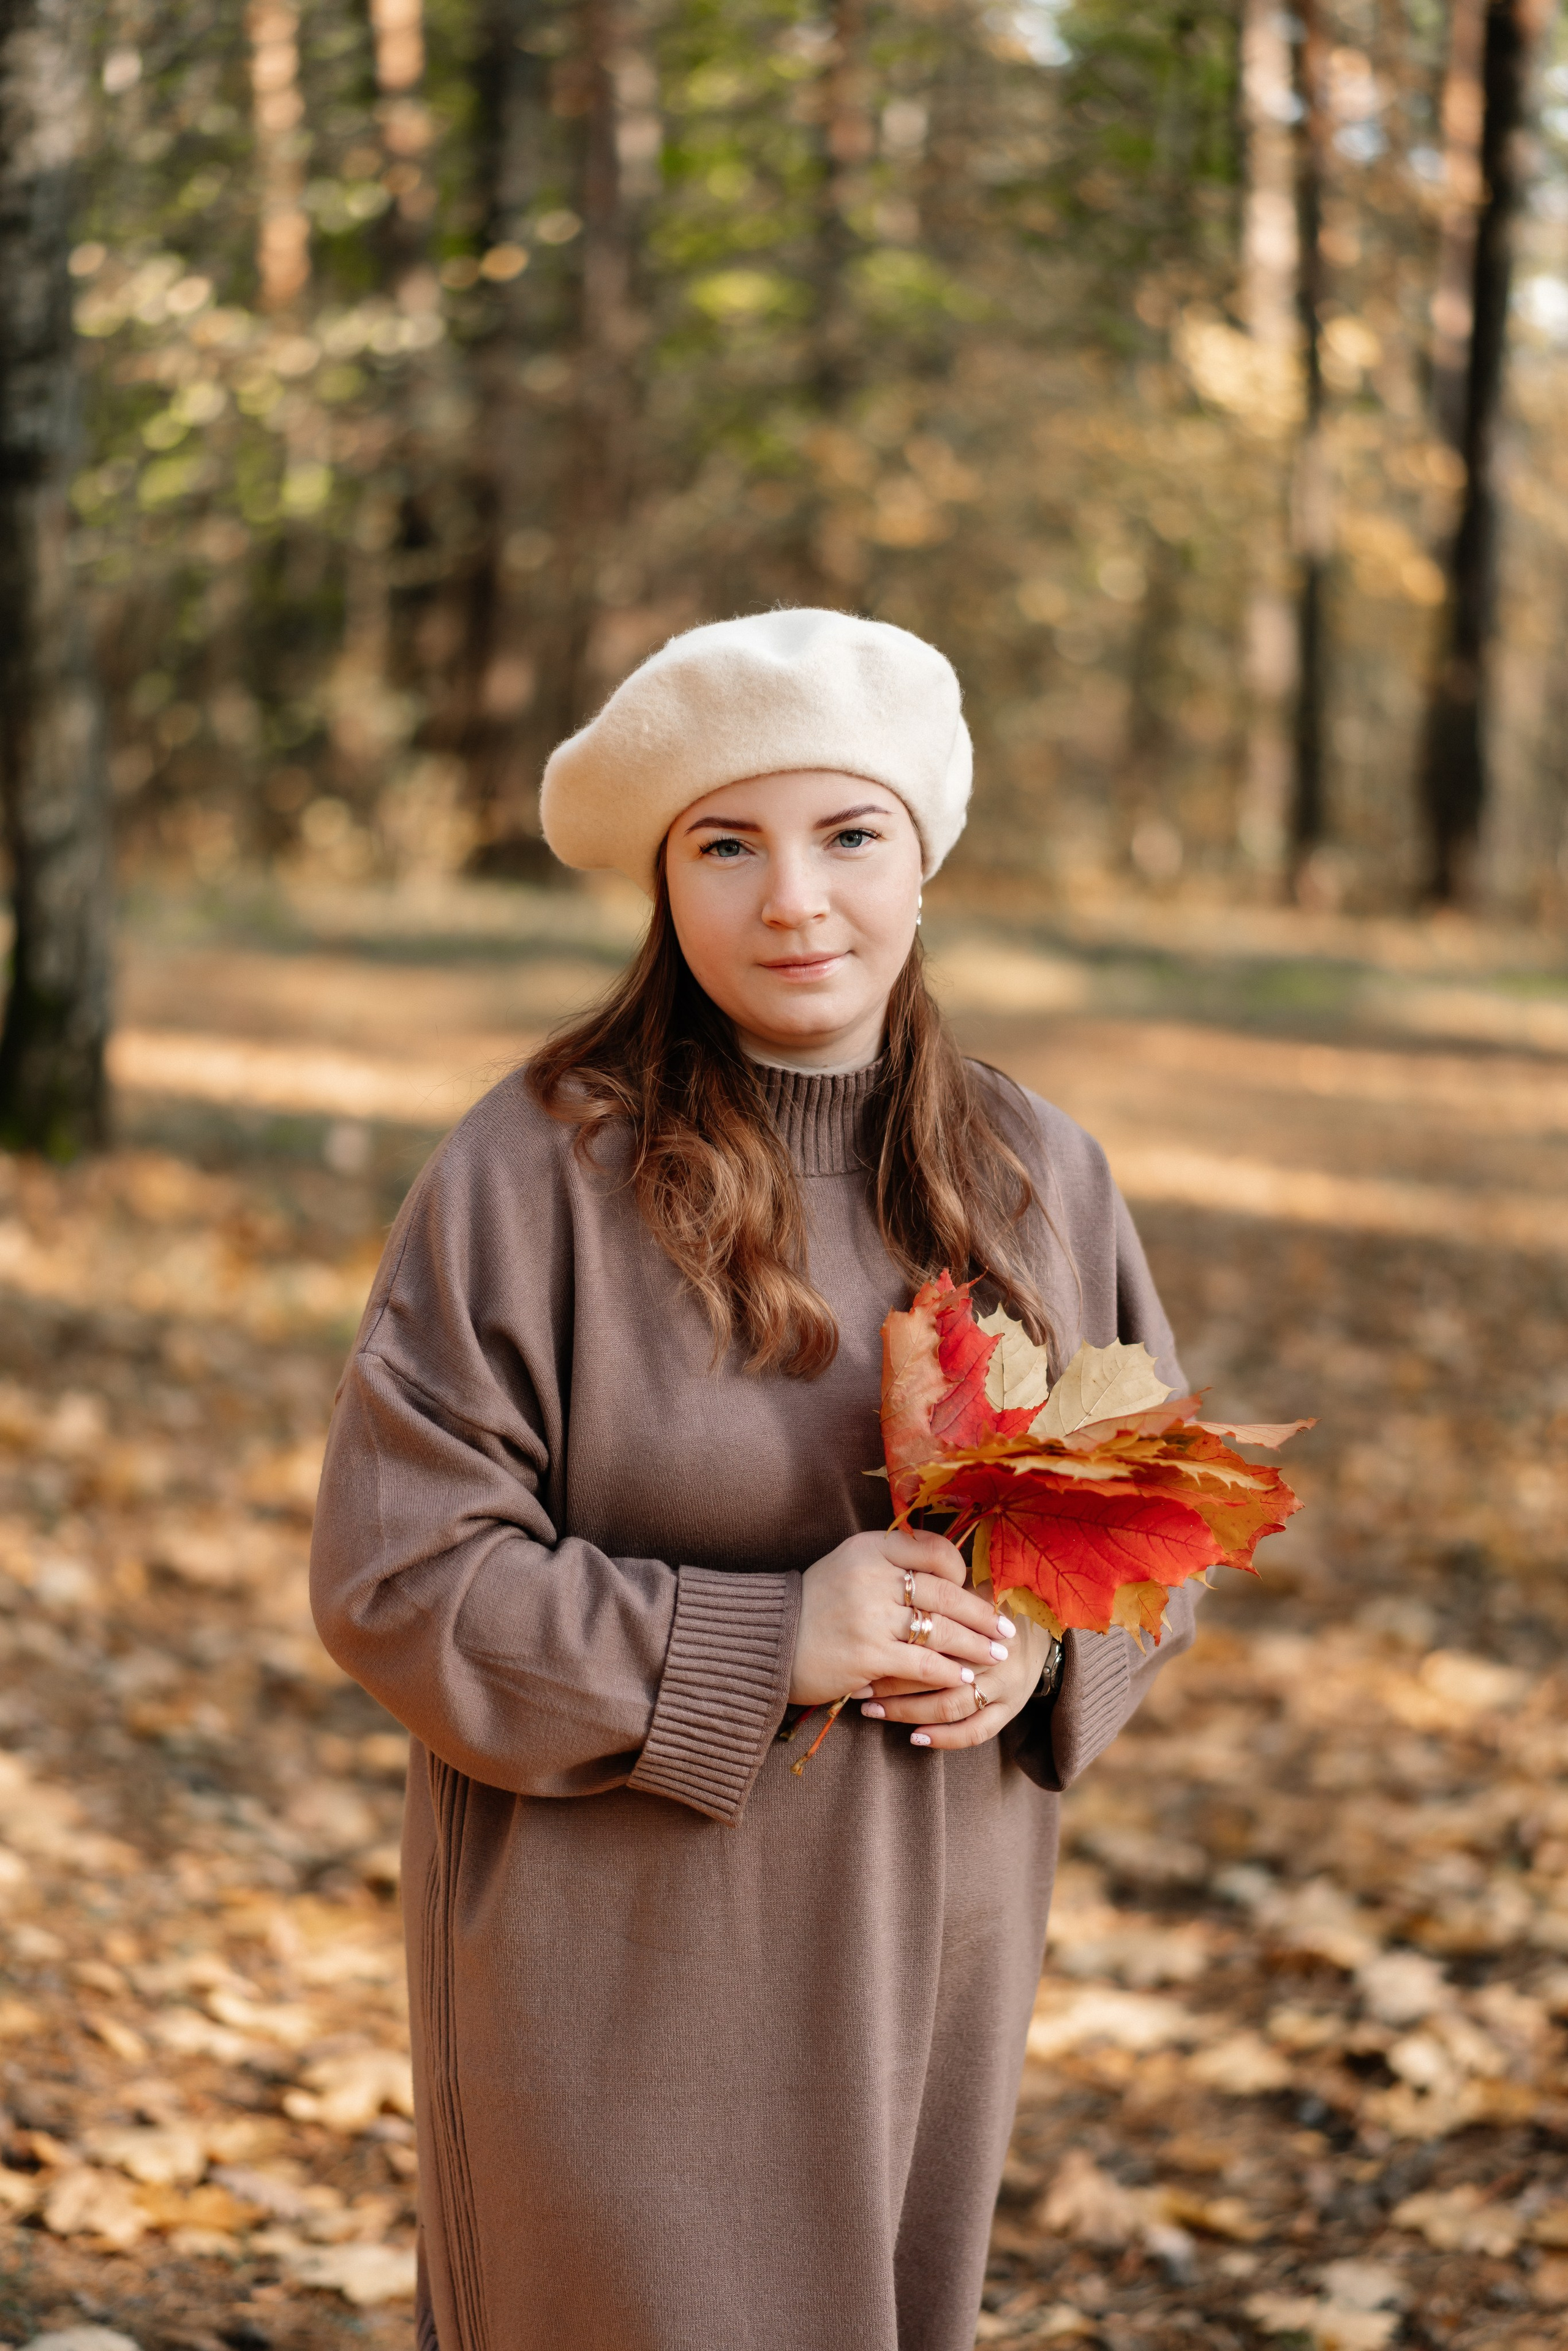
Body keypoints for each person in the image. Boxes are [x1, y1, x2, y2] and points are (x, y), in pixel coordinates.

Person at [310, 608, 1197, 2351]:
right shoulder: (533, 1172)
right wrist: (767, 1636)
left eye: (847, 835)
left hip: (925, 1941)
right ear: (667, 882)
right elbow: (401, 1578)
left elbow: (1156, 1530)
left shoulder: (1037, 1175)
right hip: (619, 1957)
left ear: (922, 862)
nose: (794, 899)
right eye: (729, 845)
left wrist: (1037, 1649)